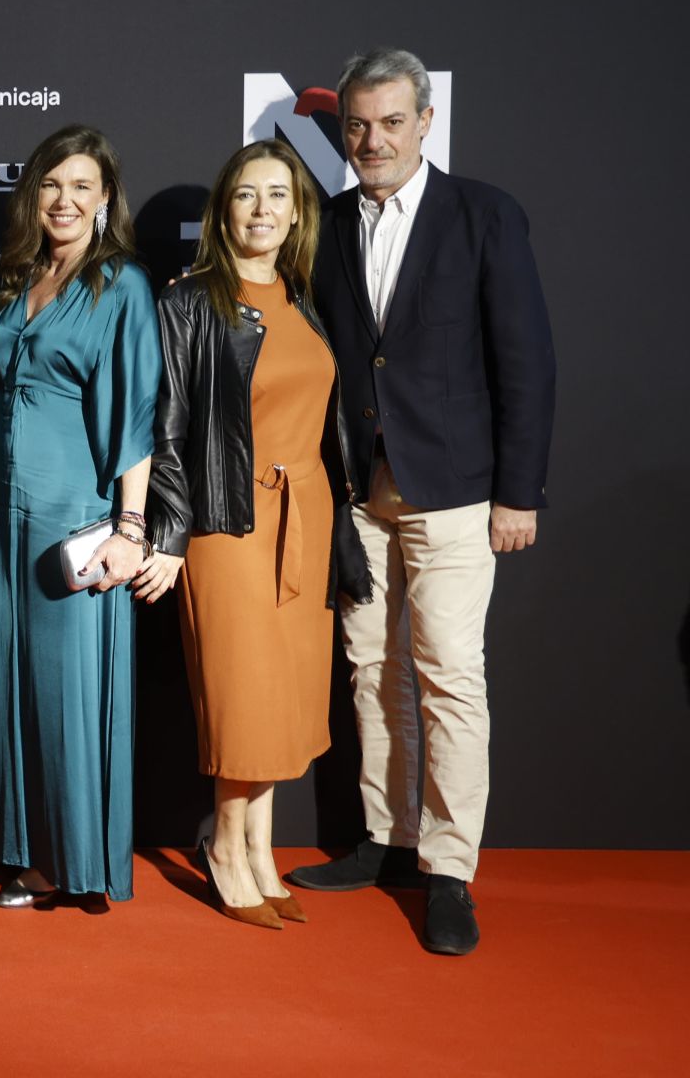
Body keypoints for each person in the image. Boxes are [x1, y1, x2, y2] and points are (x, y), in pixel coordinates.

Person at [287, 49, 556, 956]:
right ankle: (386, 836)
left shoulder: (483, 214)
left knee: (448, 676)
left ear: (426, 122)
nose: (372, 140)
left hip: (455, 495)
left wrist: (519, 493)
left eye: (391, 122)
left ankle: (448, 870)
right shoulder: (322, 224)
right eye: (357, 124)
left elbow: (527, 363)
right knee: (370, 672)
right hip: (360, 494)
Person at [141, 139, 369, 929]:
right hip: (228, 524)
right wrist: (167, 534)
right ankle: (226, 849)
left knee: (288, 701)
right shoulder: (188, 302)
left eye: (279, 195)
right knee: (242, 701)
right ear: (223, 209)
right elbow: (165, 430)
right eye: (246, 195)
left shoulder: (305, 297)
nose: (263, 210)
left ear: (298, 211)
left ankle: (263, 848)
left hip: (306, 520)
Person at [0, 124, 161, 907]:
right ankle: (23, 845)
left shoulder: (122, 285)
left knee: (68, 689)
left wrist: (131, 530)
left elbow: (138, 416)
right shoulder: (19, 276)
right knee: (4, 680)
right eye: (52, 184)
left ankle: (73, 861)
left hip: (74, 515)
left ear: (105, 198)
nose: (65, 199)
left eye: (82, 186)